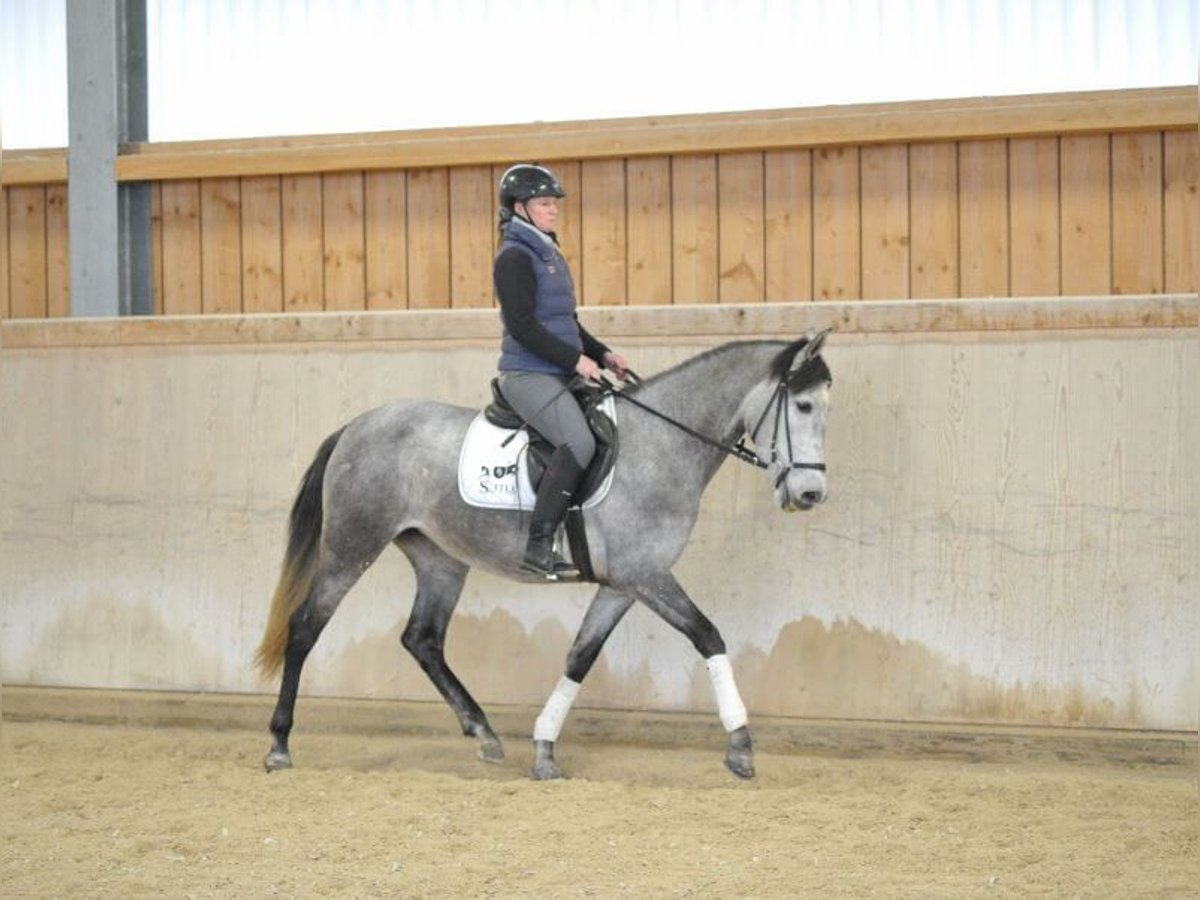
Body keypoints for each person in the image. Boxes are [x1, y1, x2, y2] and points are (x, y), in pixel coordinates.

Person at [493, 163, 630, 576]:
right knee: (579, 443)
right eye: (545, 204)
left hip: (556, 369)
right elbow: (522, 325)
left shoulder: (546, 252)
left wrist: (604, 354)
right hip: (527, 374)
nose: (553, 210)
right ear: (521, 208)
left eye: (554, 204)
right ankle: (538, 546)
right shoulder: (514, 257)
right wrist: (574, 360)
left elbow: (564, 321)